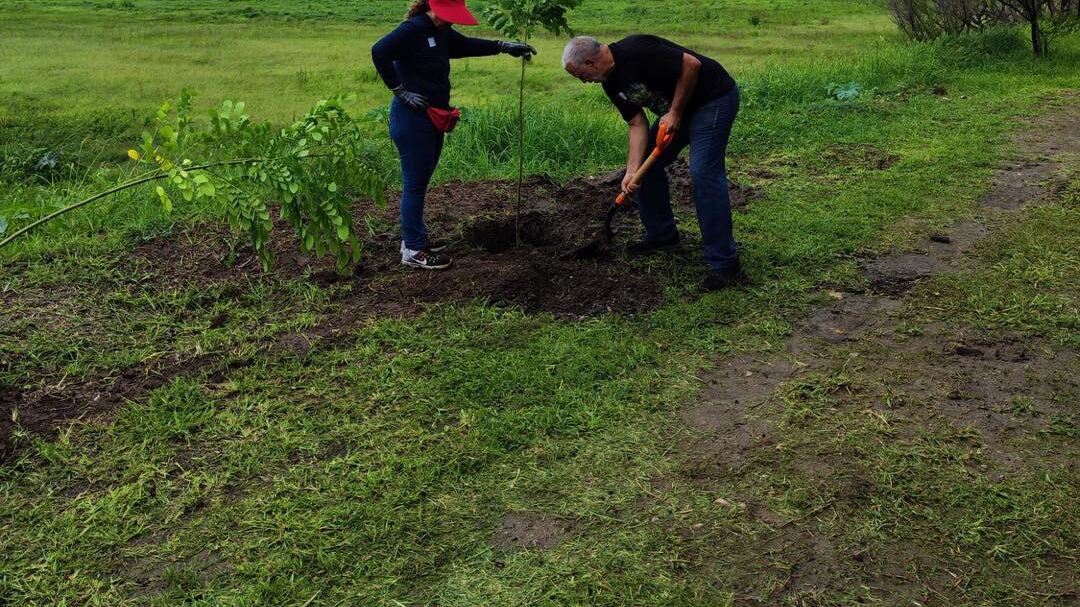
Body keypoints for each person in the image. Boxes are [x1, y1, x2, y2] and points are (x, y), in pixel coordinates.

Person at [562, 35, 745, 291]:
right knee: (644, 171)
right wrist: (631, 170)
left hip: (712, 100)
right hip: (676, 112)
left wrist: (676, 113)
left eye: (581, 75)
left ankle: (725, 264)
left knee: (703, 173)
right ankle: (662, 235)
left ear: (591, 62)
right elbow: (636, 123)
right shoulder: (611, 84)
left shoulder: (637, 50)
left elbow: (692, 65)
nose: (584, 82)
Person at [372, 0, 535, 270]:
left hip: (432, 116)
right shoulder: (414, 28)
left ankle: (415, 239)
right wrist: (400, 91)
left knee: (421, 181)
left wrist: (503, 47)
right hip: (411, 118)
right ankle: (413, 250)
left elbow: (464, 45)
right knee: (414, 183)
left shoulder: (440, 30)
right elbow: (379, 50)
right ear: (433, 7)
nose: (452, 20)